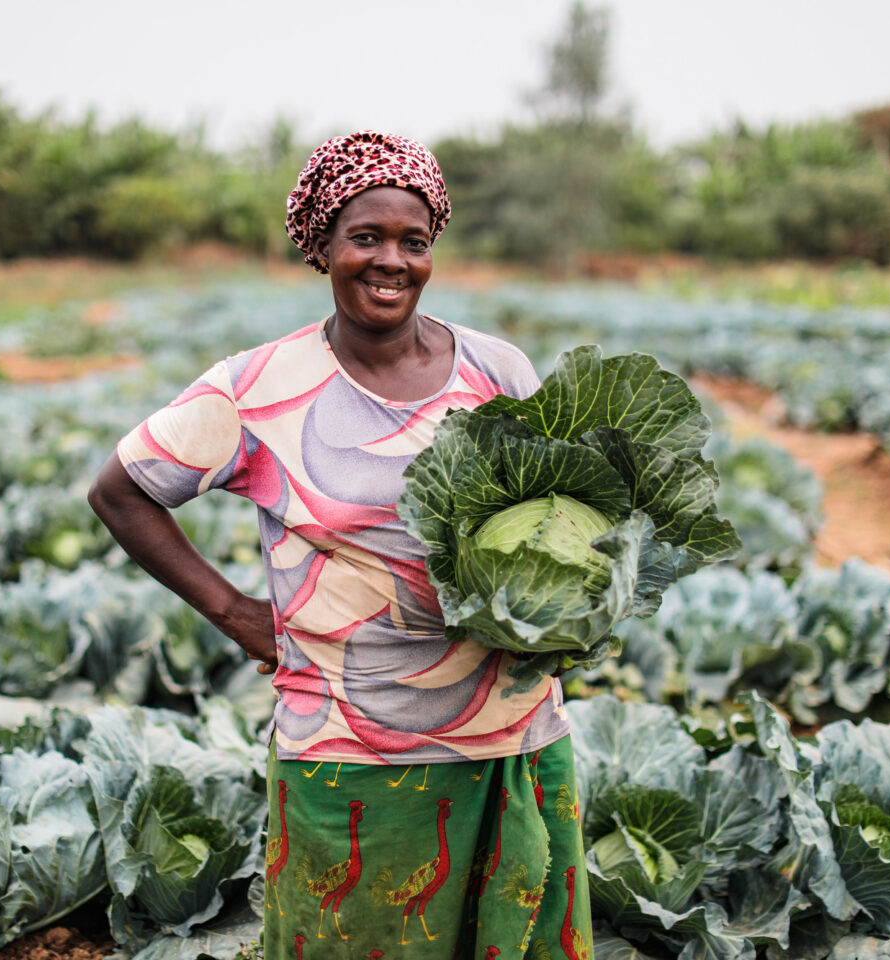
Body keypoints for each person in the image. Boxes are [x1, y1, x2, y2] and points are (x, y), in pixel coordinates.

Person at [88, 130, 593, 960]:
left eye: (413, 242)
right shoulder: (258, 387)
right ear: (323, 245)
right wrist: (238, 613)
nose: (391, 260)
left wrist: (568, 613)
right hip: (351, 751)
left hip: (513, 737)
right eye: (366, 237)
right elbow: (120, 490)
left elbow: (559, 513)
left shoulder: (498, 371)